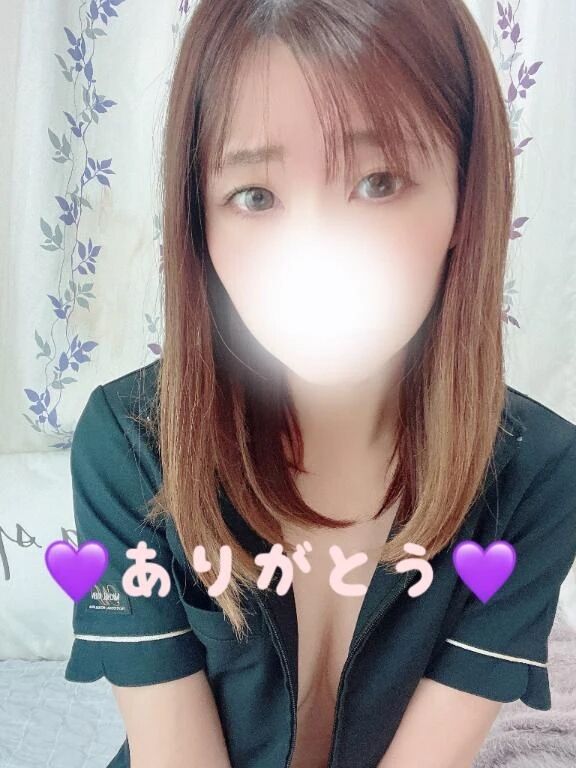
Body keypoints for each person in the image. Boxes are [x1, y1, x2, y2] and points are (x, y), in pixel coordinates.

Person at [64, 1, 576, 767]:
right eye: (256, 195)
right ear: (202, 222)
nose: (317, 251)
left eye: (379, 181)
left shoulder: (539, 471)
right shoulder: (130, 442)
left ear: (466, 200)